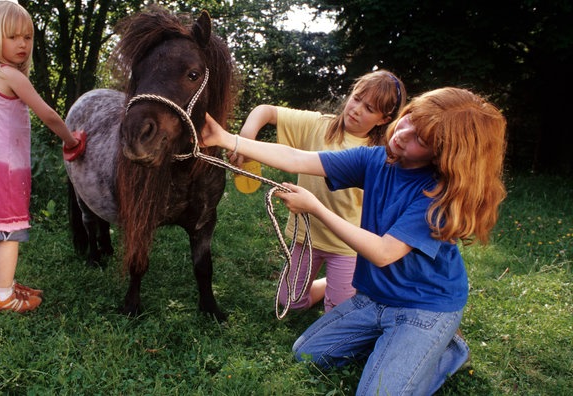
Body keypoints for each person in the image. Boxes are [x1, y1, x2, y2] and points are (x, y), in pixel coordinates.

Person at [202, 87, 507, 394]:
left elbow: (384, 252)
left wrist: (316, 209)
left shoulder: (439, 194)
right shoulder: (376, 160)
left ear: (444, 154)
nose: (403, 133)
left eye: (421, 139)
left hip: (424, 308)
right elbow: (299, 159)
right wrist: (228, 139)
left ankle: (443, 350)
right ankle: (400, 347)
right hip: (374, 298)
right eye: (410, 119)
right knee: (306, 352)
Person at [230, 70, 405, 313]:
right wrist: (247, 136)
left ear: (383, 119)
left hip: (346, 245)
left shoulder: (381, 154)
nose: (356, 109)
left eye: (369, 108)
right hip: (306, 236)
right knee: (289, 303)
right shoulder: (318, 124)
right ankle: (327, 286)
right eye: (356, 99)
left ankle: (346, 289)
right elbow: (265, 111)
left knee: (337, 314)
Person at [0, 1, 86, 313]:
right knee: (9, 231)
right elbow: (48, 115)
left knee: (0, 230)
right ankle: (3, 298)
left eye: (27, 37)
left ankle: (3, 285)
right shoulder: (12, 77)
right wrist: (71, 139)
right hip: (3, 167)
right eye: (13, 37)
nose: (22, 44)